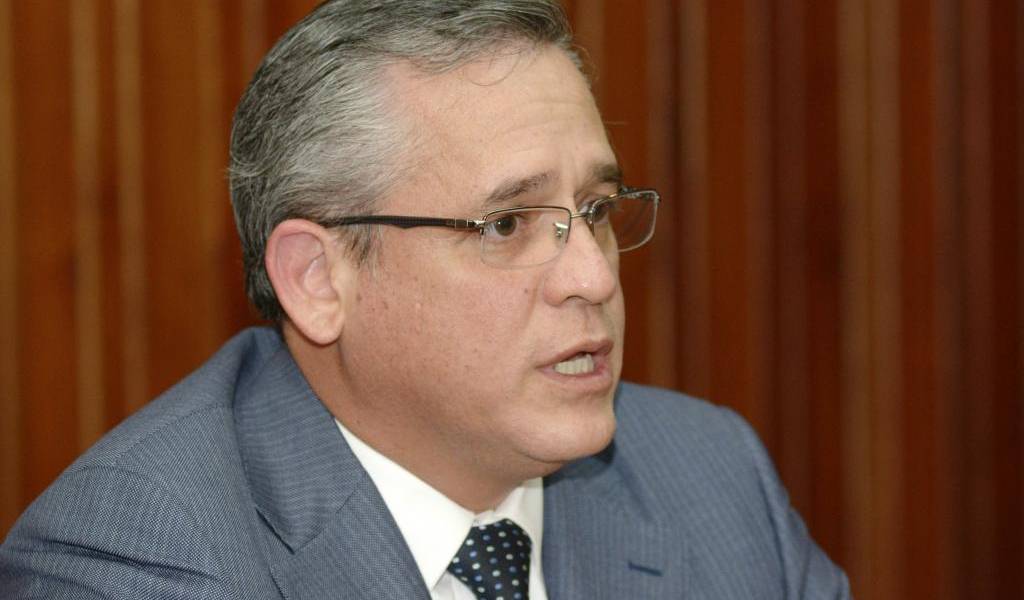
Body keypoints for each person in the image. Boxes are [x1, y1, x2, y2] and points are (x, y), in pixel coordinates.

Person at [0, 1, 849, 598]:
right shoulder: (137, 559)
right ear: (317, 280)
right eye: (506, 224)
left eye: (594, 210)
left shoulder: (711, 476)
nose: (594, 276)